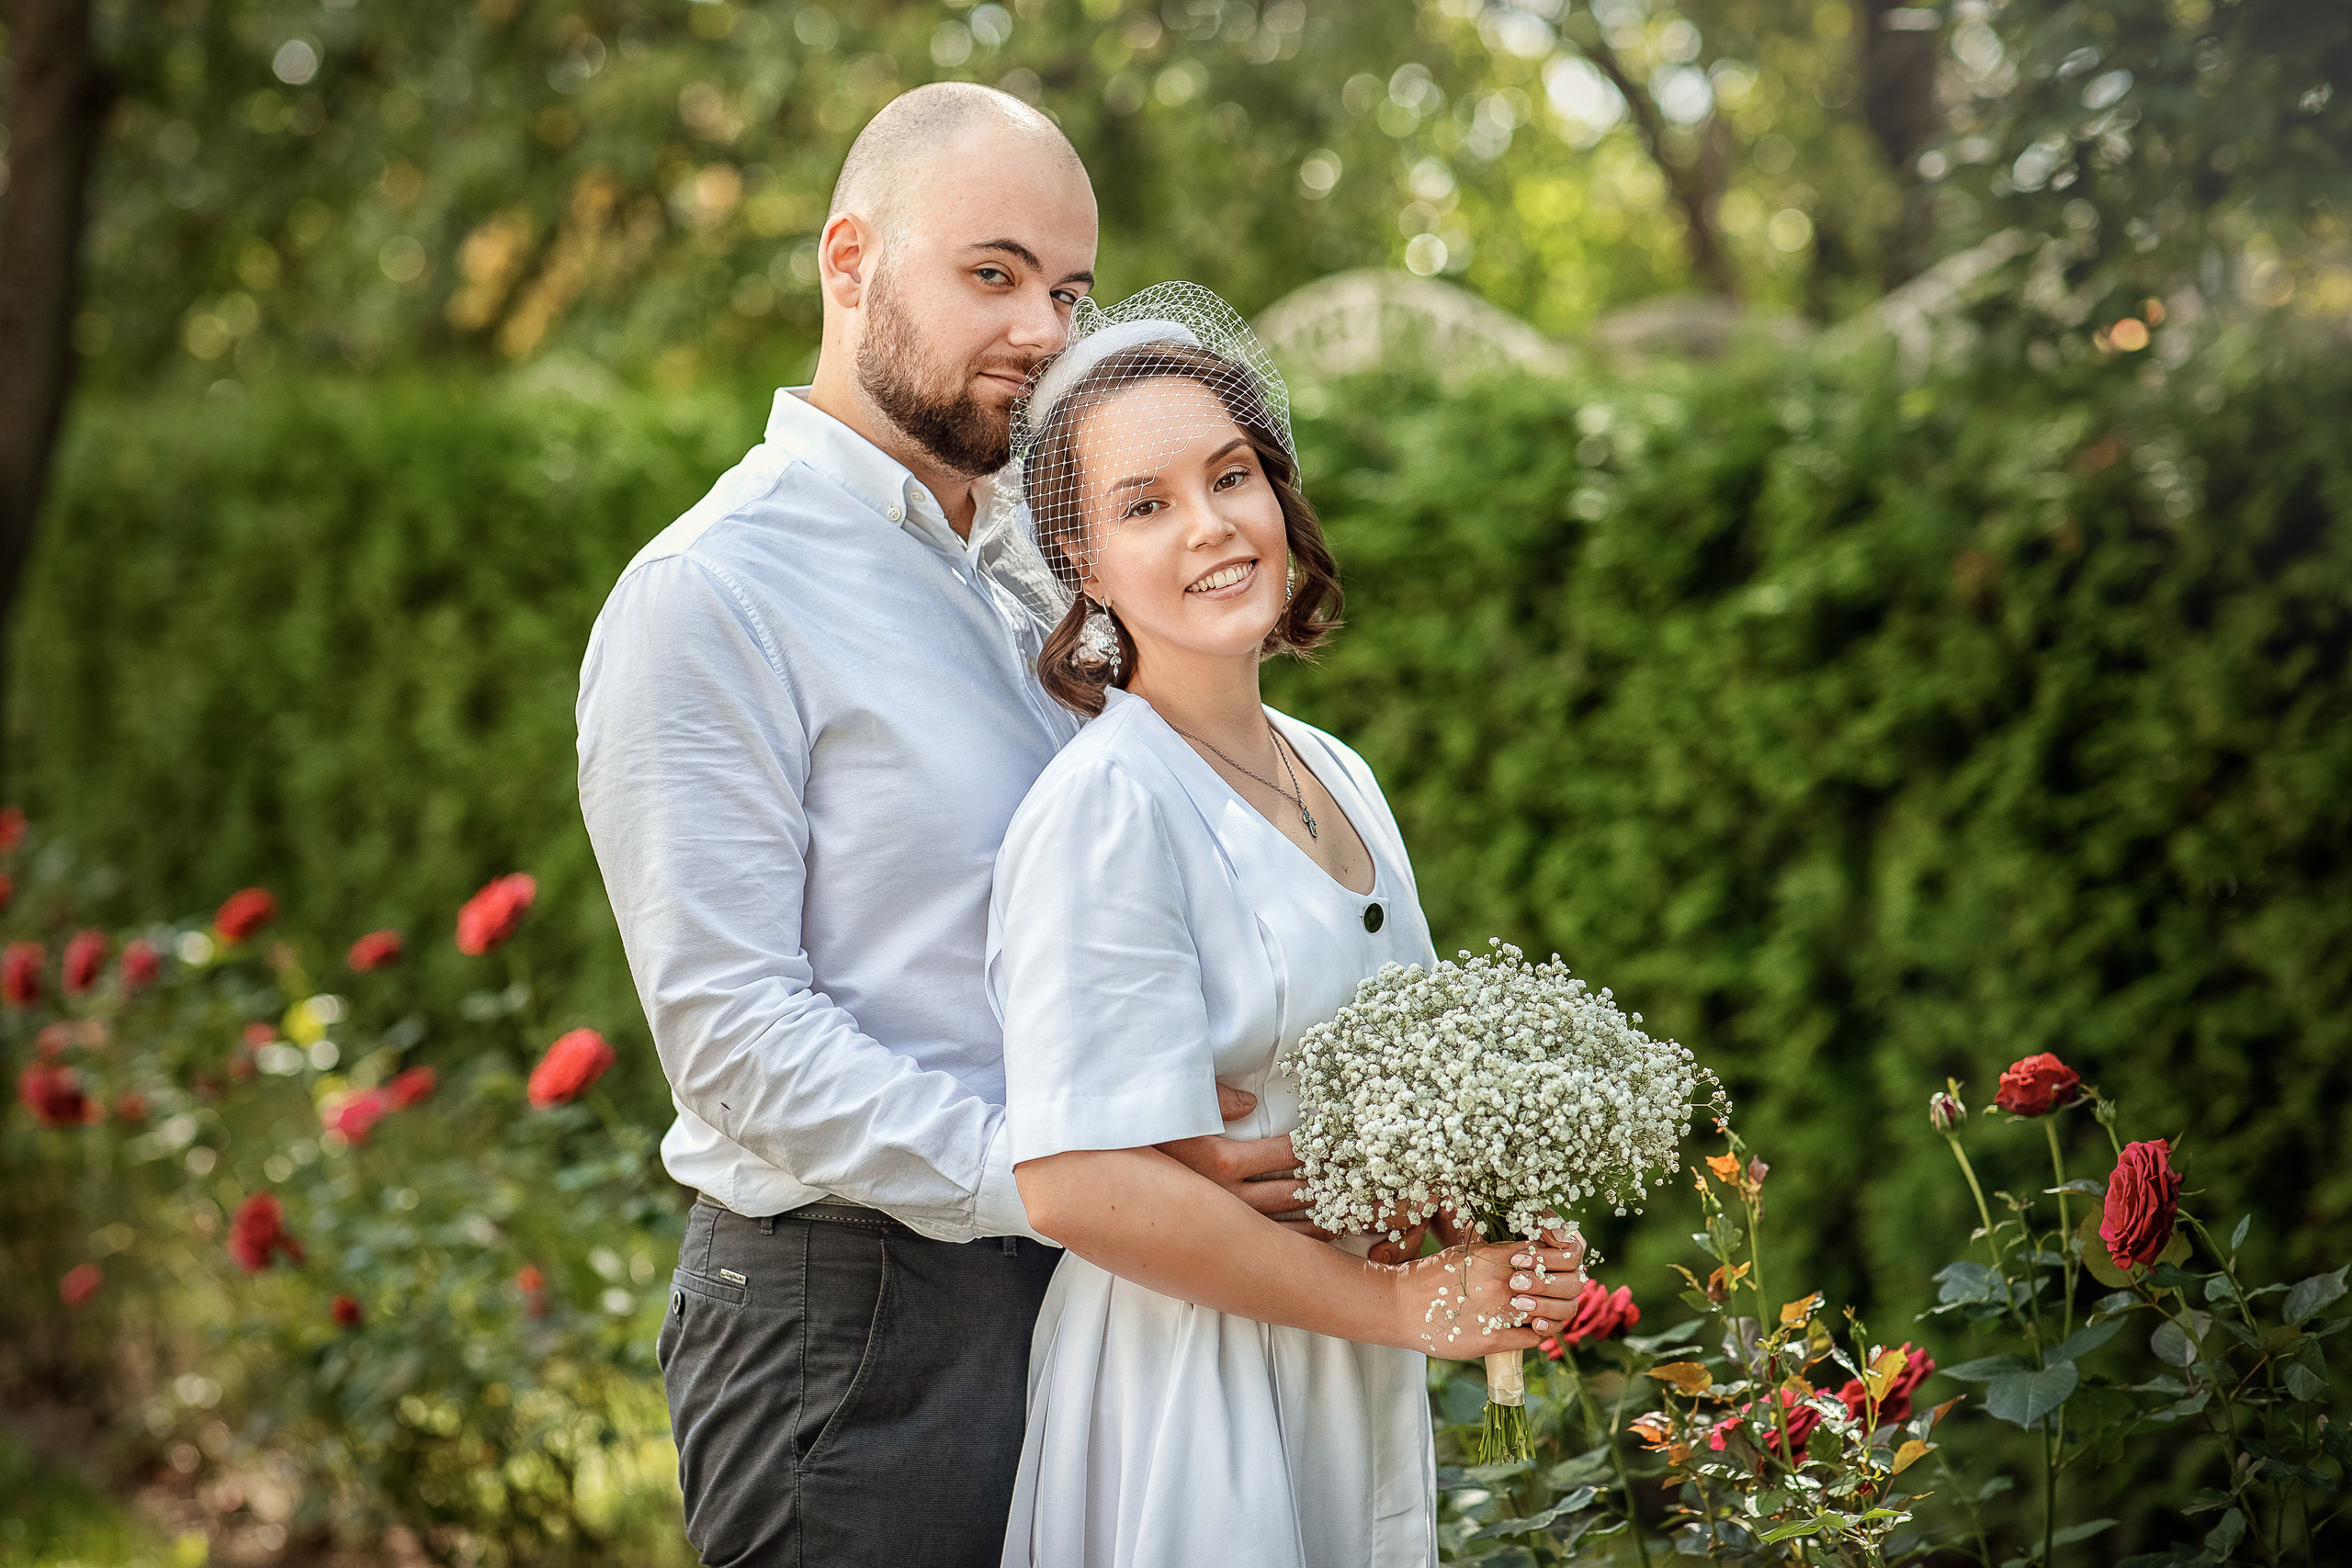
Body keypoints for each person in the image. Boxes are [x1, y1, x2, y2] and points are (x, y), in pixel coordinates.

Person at [575, 90, 1306, 1568]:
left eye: (1071, 288)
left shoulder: (1059, 559)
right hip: (857, 1325)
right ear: (850, 261)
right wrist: (1058, 1176)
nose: (1046, 328)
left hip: (1104, 1287)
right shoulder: (711, 595)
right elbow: (731, 1029)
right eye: (994, 274)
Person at [987, 287, 1589, 1568]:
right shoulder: (1104, 807)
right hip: (1191, 1390)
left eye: (1233, 476)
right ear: (1081, 562)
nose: (1211, 526)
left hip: (1352, 1364)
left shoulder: (1339, 770)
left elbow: (1374, 1090)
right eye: (1145, 505)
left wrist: (1486, 1227)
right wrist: (1398, 1304)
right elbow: (1075, 1181)